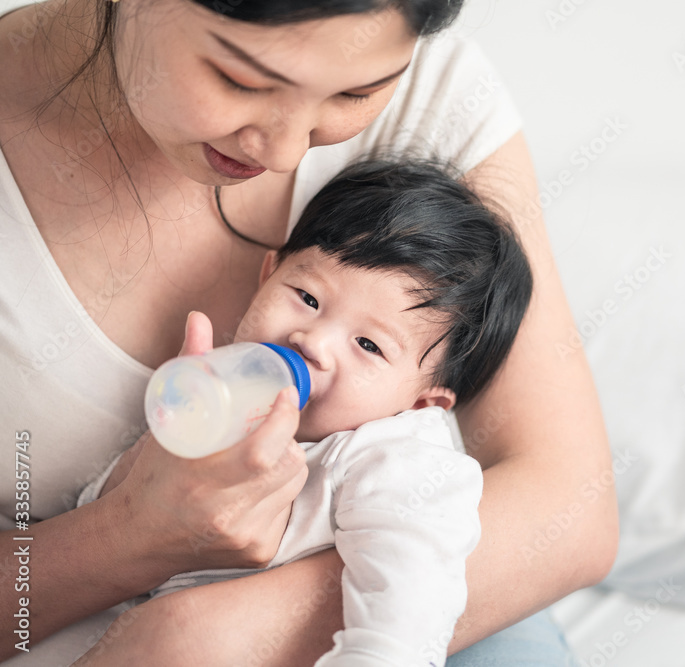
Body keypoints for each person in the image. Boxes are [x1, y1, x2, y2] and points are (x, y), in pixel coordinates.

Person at [0, 0, 617, 664]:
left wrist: (191, 638)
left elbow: (568, 514)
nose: (287, 151)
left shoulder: (390, 464)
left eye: (356, 92)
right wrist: (131, 533)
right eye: (241, 79)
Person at [75, 157, 534, 666]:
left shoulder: (393, 460)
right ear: (268, 273)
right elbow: (97, 516)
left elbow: (407, 608)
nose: (312, 341)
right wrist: (167, 444)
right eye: (307, 297)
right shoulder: (222, 392)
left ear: (421, 403)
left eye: (367, 343)